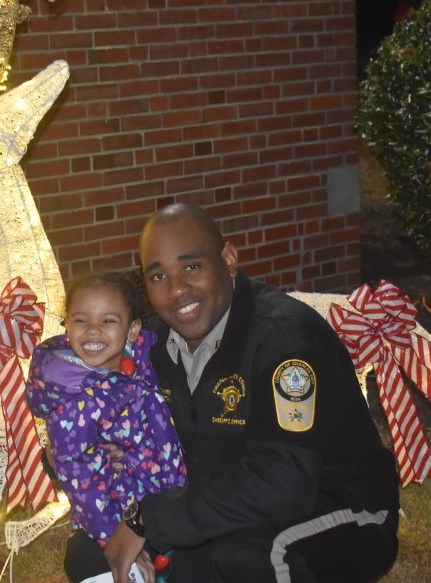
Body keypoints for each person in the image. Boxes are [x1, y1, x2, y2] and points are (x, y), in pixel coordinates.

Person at [67, 203, 400, 583]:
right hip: (222, 509)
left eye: (191, 267)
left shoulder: (286, 340)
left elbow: (285, 485)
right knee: (90, 555)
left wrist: (150, 519)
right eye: (158, 276)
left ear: (228, 260)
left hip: (337, 506)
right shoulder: (148, 349)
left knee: (247, 554)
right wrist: (85, 448)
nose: (176, 290)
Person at [26, 271, 187, 577]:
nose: (93, 330)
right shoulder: (76, 403)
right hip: (120, 515)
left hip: (164, 502)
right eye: (81, 320)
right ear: (67, 324)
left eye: (108, 320)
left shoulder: (137, 359)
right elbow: (83, 484)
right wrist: (117, 541)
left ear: (132, 329)